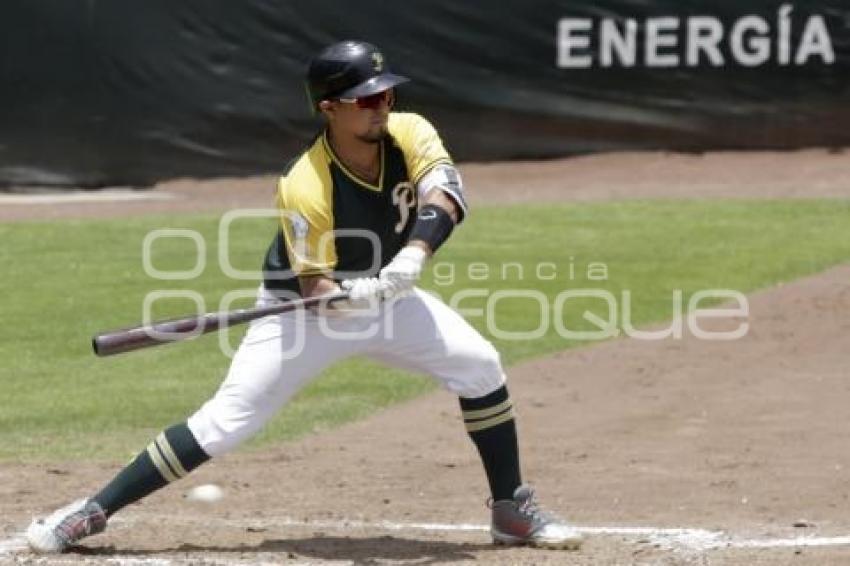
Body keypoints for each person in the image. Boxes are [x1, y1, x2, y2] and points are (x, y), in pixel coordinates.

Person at [26, 40, 583, 554]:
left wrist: (409, 260)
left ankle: (510, 510)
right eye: (366, 99)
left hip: (389, 297)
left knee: (480, 366)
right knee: (225, 423)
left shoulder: (410, 131)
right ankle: (91, 510)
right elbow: (317, 290)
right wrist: (348, 297)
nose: (380, 106)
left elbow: (446, 195)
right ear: (329, 108)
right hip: (302, 316)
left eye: (385, 93)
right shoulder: (306, 183)